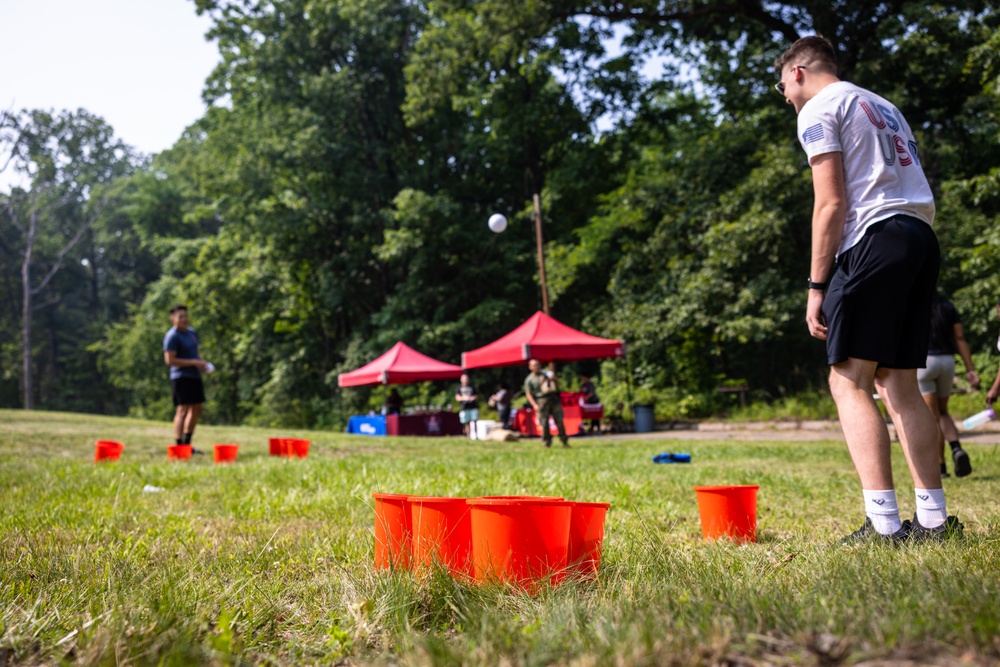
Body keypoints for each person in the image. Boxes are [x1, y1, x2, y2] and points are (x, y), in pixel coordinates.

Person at [775, 36, 960, 542]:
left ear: (797, 72)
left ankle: (882, 526)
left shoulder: (818, 107)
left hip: (874, 238)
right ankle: (934, 521)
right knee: (899, 384)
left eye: (782, 86)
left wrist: (817, 285)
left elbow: (831, 203)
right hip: (920, 236)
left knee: (847, 380)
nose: (786, 97)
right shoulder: (884, 105)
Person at [918, 293, 978, 478]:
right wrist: (970, 369)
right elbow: (959, 338)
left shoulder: (914, 302)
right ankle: (957, 448)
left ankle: (941, 467)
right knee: (943, 412)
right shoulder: (947, 305)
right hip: (947, 361)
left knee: (932, 417)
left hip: (924, 362)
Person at [163, 305, 212, 453]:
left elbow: (194, 354)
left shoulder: (192, 333)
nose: (184, 319)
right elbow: (169, 360)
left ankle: (187, 444)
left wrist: (203, 363)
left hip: (194, 376)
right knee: (182, 409)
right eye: (180, 317)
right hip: (180, 377)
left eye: (185, 316)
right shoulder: (172, 336)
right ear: (173, 319)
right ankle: (178, 446)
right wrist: (193, 363)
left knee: (197, 408)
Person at [523, 359, 569, 448]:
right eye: (534, 365)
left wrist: (554, 379)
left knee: (559, 421)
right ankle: (546, 443)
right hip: (541, 401)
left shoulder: (547, 373)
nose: (537, 367)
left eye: (538, 364)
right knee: (544, 424)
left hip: (553, 399)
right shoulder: (529, 379)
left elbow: (557, 384)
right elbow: (528, 394)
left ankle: (564, 441)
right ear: (530, 367)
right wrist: (534, 405)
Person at [454, 373, 479, 438]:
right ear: (461, 380)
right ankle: (469, 436)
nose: (466, 380)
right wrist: (464, 398)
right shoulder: (459, 388)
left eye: (467, 379)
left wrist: (472, 398)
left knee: (474, 421)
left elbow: (476, 396)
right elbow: (457, 398)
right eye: (464, 379)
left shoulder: (472, 387)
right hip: (464, 407)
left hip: (473, 407)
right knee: (466, 423)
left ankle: (476, 436)